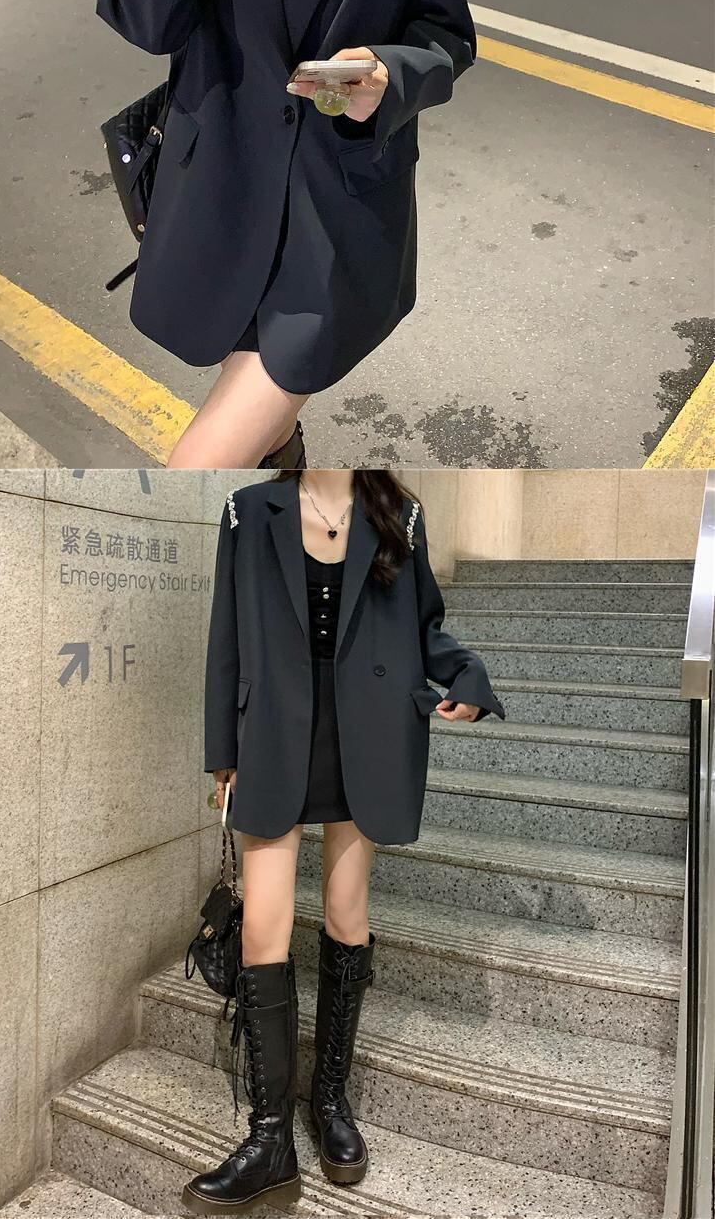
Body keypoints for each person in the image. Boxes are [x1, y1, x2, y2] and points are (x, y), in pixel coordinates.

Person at [95, 0, 478, 468]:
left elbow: (446, 34)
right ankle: (284, 467)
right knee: (260, 441)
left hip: (339, 215)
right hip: (215, 197)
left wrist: (389, 75)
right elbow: (146, 19)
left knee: (193, 472)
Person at [186, 462, 504, 1206]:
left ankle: (329, 1102)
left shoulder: (397, 513)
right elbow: (225, 636)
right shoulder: (248, 509)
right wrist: (222, 754)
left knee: (345, 913)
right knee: (263, 925)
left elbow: (425, 628)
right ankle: (270, 1137)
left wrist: (467, 675)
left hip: (369, 732)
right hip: (272, 730)